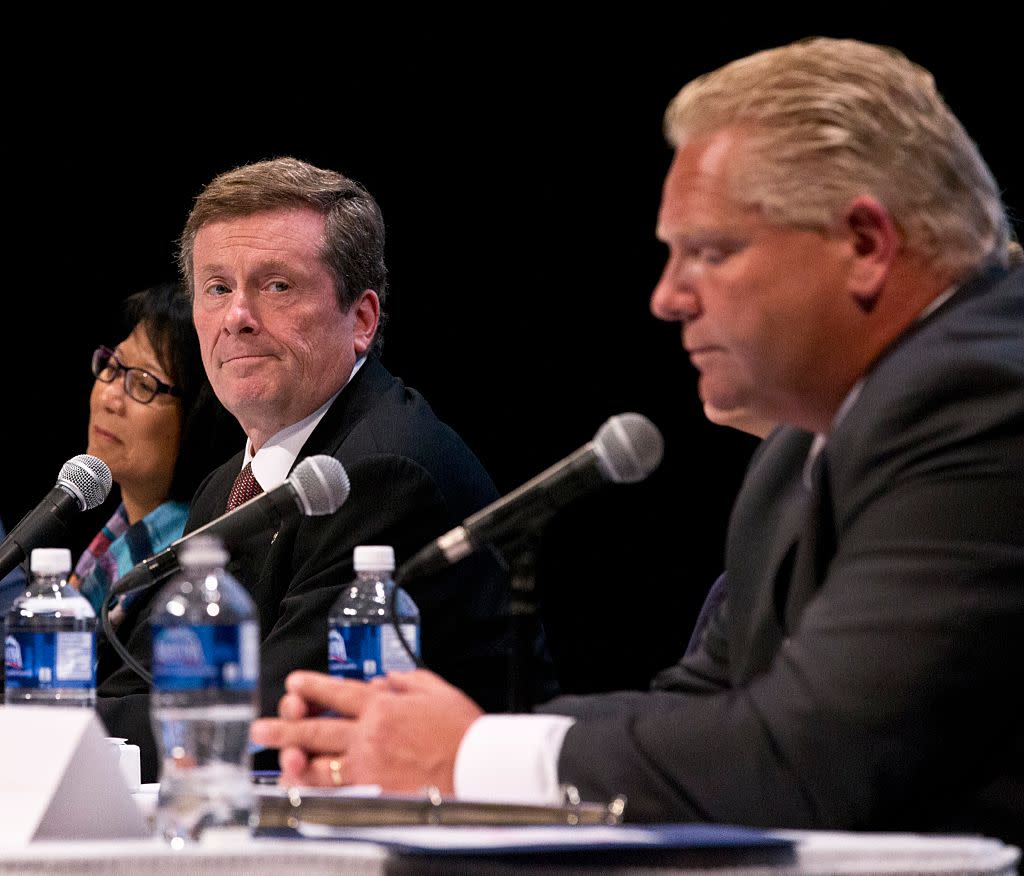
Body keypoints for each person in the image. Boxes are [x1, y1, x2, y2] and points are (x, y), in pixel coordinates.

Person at [251, 37, 1024, 844]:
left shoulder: (985, 397)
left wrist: (474, 753)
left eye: (711, 252)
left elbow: (814, 756)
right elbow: (703, 707)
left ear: (866, 244)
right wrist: (433, 745)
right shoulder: (799, 449)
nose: (666, 297)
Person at [96, 157, 552, 783]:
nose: (238, 316)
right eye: (217, 287)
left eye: (277, 286)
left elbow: (276, 718)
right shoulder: (226, 484)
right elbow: (138, 682)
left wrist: (70, 741)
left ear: (361, 320)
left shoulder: (385, 472)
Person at [75, 282, 241, 622]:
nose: (109, 398)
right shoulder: (112, 548)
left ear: (201, 415)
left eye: (144, 384)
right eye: (113, 367)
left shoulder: (191, 578)